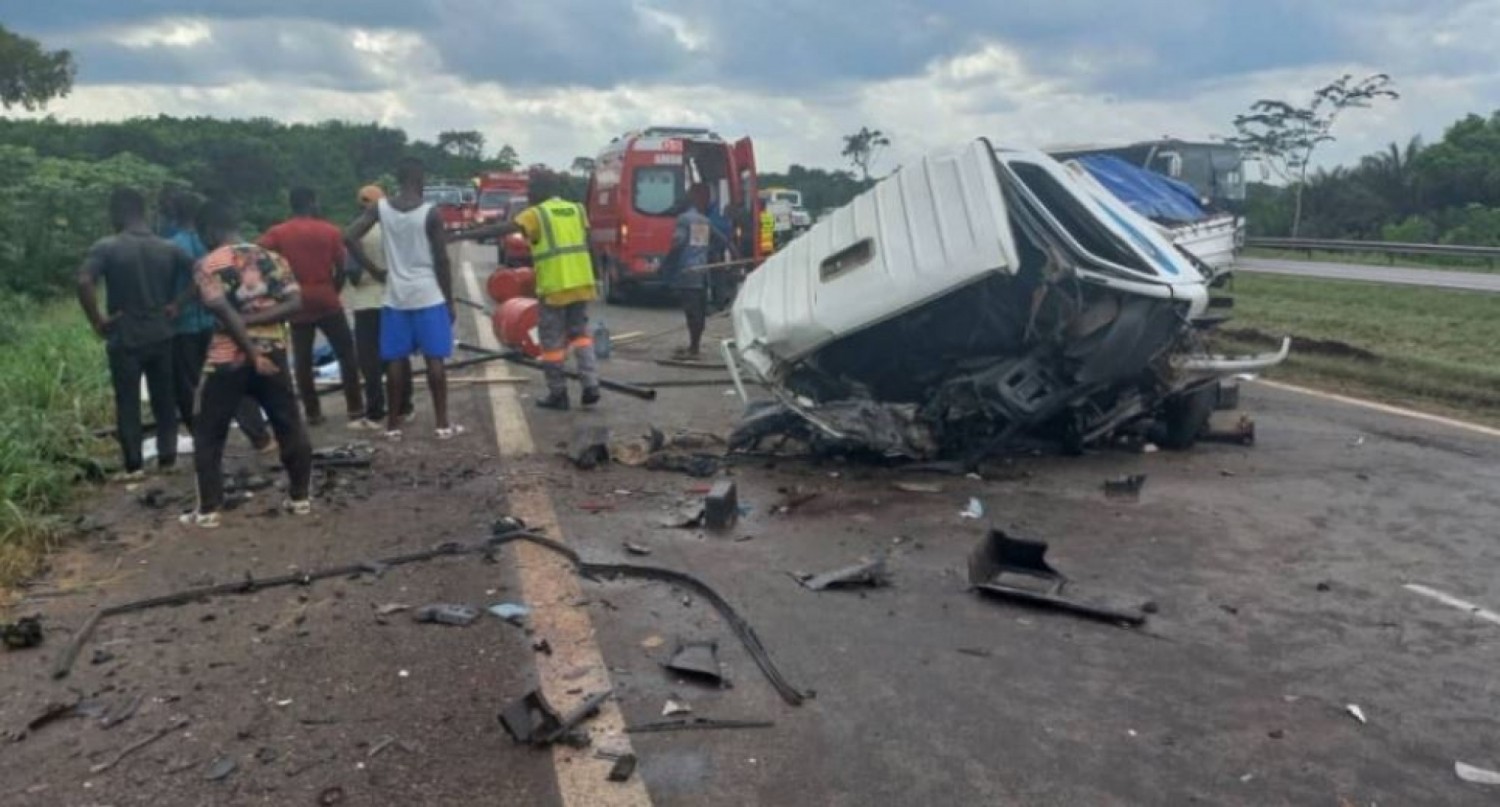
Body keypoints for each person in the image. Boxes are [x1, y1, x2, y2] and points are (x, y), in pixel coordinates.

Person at [182, 200, 314, 529]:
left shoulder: (206, 265)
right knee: (288, 423)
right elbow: (296, 302)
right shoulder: (272, 258)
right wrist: (259, 324)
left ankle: (209, 509)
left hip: (226, 359)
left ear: (209, 231)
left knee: (209, 431)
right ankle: (300, 498)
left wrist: (243, 325)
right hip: (274, 354)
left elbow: (223, 313)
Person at [457, 174, 599, 411]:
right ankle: (591, 385)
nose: (529, 195)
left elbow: (505, 227)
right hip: (581, 282)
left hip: (555, 285)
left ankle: (558, 393)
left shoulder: (537, 214)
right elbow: (586, 241)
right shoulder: (576, 209)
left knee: (552, 343)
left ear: (539, 192)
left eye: (531, 190)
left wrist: (462, 235)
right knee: (580, 335)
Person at [345, 157, 461, 440]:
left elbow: (348, 236)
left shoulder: (380, 208)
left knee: (395, 361)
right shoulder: (431, 213)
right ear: (420, 180)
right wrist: (449, 301)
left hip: (395, 297)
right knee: (435, 361)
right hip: (428, 295)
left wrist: (373, 269)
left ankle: (393, 425)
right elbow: (442, 260)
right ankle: (442, 424)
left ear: (397, 179)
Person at [76, 188, 186, 481]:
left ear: (117, 212)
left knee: (128, 402)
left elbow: (84, 281)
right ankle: (167, 459)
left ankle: (134, 466)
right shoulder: (168, 247)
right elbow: (202, 272)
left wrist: (97, 320)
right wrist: (178, 304)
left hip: (125, 336)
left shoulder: (108, 247)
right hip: (162, 333)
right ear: (144, 212)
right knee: (165, 399)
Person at [166, 192, 273, 452]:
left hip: (188, 324)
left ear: (173, 213)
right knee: (237, 379)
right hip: (221, 323)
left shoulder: (173, 244)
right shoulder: (213, 243)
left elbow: (197, 277)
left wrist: (178, 303)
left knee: (195, 385)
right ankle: (259, 436)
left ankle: (205, 441)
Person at [259, 187, 364, 428]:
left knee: (302, 359)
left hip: (296, 299)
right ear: (313, 203)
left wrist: (276, 286)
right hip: (325, 295)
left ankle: (313, 413)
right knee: (346, 353)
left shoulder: (278, 232)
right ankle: (355, 408)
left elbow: (257, 252)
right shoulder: (330, 231)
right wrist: (332, 291)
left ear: (291, 204)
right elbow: (342, 268)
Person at [342, 184, 414, 428]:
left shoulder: (357, 231)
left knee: (370, 360)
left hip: (366, 302)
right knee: (399, 355)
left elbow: (351, 272)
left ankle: (375, 412)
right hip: (395, 299)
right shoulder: (398, 228)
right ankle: (405, 407)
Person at [660, 183, 732, 359]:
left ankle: (693, 349)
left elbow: (678, 244)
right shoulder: (704, 220)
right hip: (701, 273)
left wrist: (666, 264)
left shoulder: (684, 220)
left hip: (687, 272)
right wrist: (729, 255)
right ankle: (695, 346)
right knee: (698, 310)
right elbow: (722, 240)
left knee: (692, 311)